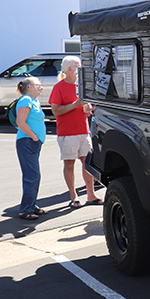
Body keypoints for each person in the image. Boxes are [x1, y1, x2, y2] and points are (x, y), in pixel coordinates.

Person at [50, 55, 102, 209]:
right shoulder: (58, 87)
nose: (81, 69)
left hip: (83, 131)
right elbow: (56, 111)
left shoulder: (82, 86)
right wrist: (76, 105)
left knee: (87, 164)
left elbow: (88, 108)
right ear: (70, 69)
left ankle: (91, 195)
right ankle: (73, 196)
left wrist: (88, 110)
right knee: (69, 164)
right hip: (67, 133)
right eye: (78, 66)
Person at [15, 77, 47, 220]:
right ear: (30, 87)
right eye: (39, 85)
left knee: (33, 176)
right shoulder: (25, 100)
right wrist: (34, 137)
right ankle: (26, 210)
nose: (41, 87)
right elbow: (20, 122)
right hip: (27, 142)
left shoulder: (33, 101)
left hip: (32, 143)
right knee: (32, 176)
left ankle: (31, 205)